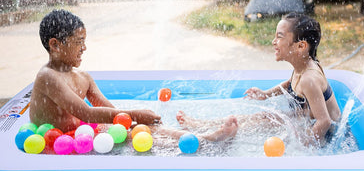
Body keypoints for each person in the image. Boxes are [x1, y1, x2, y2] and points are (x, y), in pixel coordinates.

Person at [30, 9, 237, 143]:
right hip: (54, 140)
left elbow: (111, 110)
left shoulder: (84, 77)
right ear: (55, 45)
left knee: (143, 128)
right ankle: (203, 139)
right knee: (137, 126)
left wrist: (134, 121)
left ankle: (201, 137)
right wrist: (136, 114)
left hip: (81, 136)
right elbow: (85, 113)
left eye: (85, 41)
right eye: (78, 42)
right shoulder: (47, 77)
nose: (84, 48)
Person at [177, 12, 341, 146]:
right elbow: (291, 84)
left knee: (262, 123)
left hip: (327, 135)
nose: (273, 41)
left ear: (300, 46)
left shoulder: (309, 79)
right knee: (261, 117)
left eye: (280, 37)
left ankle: (213, 132)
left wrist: (302, 147)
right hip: (304, 117)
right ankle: (200, 124)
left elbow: (325, 122)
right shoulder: (302, 68)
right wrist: (266, 94)